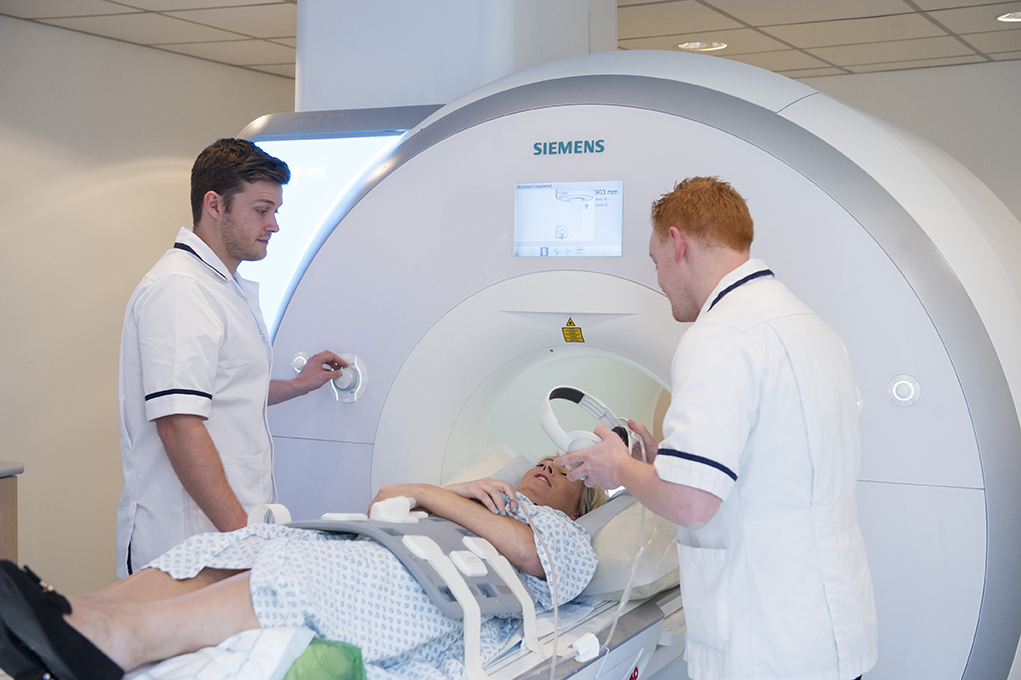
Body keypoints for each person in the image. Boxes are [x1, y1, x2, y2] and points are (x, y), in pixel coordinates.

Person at [556, 177, 878, 680]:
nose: (659, 278)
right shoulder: (808, 324)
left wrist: (617, 466)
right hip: (826, 630)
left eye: (654, 259)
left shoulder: (720, 336)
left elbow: (692, 503)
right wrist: (664, 460)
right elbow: (771, 461)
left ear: (677, 243)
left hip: (763, 643)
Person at [0, 460, 605, 680]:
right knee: (247, 545)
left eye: (570, 474)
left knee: (305, 574)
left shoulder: (568, 537)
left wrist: (439, 496)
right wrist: (445, 491)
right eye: (549, 458)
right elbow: (387, 499)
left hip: (432, 583)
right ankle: (75, 613)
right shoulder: (480, 493)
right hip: (383, 543)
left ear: (582, 505)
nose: (553, 465)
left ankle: (115, 642)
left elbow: (528, 557)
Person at [116, 138, 348, 578]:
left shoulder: (222, 286)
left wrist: (297, 385)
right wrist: (242, 535)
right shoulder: (181, 289)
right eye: (262, 210)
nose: (274, 224)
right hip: (189, 540)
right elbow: (178, 423)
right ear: (215, 205)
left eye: (275, 211)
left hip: (224, 535)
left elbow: (221, 390)